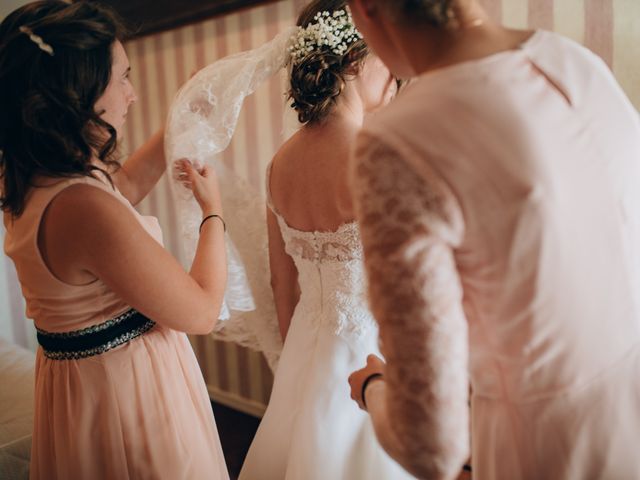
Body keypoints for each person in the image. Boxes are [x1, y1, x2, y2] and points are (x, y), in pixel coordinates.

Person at [346, 0, 640, 479]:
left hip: (545, 449)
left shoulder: (399, 139)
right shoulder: (576, 60)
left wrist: (374, 386)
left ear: (366, 7)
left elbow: (431, 446)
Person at [0, 2, 229, 479]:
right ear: (77, 92)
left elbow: (117, 190)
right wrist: (213, 213)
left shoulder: (29, 176)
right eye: (122, 77)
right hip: (127, 394)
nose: (133, 94)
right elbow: (202, 311)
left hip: (81, 385)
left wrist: (177, 122)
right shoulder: (82, 207)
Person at [237, 1, 414, 479]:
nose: (395, 72)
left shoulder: (278, 165)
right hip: (372, 357)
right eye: (386, 53)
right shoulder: (378, 158)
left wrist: (295, 362)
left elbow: (282, 284)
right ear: (355, 62)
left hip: (305, 351)